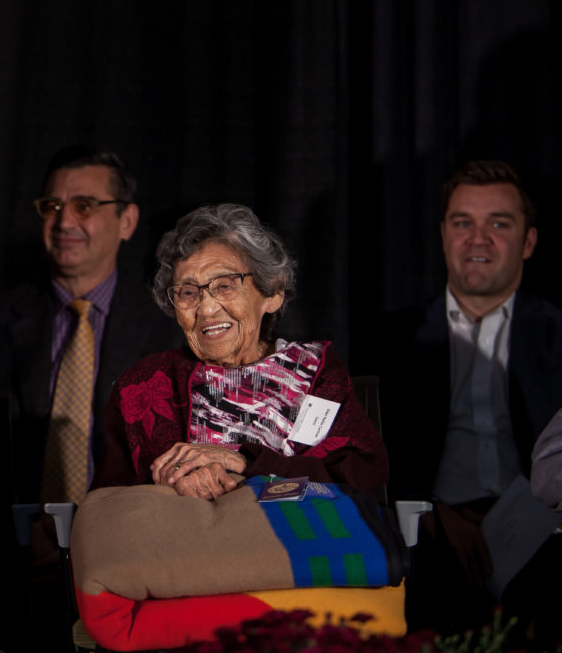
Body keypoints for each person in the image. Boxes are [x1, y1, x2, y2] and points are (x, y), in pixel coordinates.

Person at [374, 160, 562, 639]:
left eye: (498, 223)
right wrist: (436, 514)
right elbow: (369, 457)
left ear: (529, 241)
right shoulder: (389, 340)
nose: (478, 238)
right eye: (463, 223)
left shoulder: (559, 335)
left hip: (546, 544)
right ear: (443, 236)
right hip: (426, 537)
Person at [93, 203, 387, 496]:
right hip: (177, 540)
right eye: (188, 293)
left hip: (292, 539)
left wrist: (245, 463)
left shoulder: (315, 372)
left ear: (272, 292)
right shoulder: (142, 385)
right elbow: (107, 503)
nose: (207, 309)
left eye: (225, 286)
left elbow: (362, 477)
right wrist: (167, 483)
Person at [0, 145, 178, 504]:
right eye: (52, 207)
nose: (64, 222)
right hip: (14, 543)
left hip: (131, 538)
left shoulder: (169, 324)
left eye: (84, 206)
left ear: (127, 221)